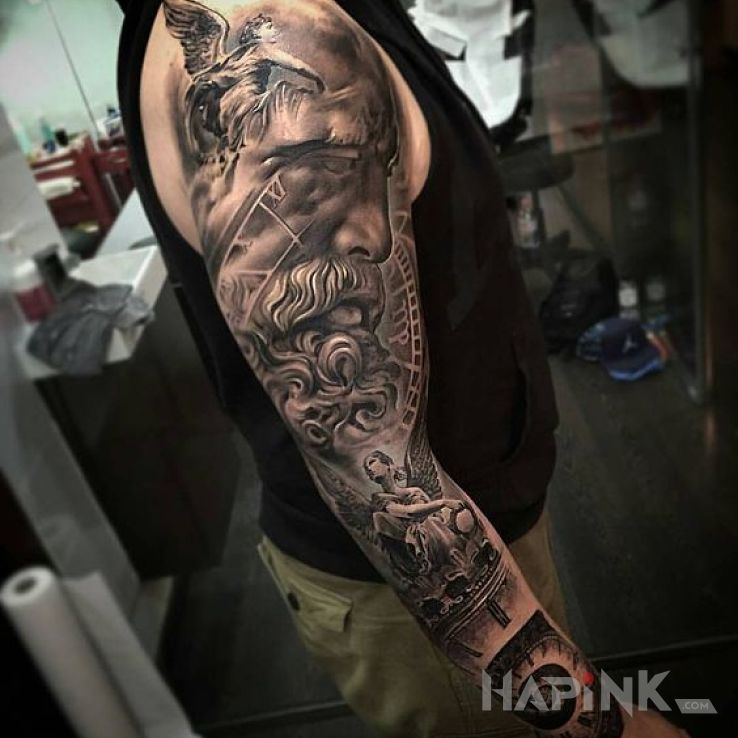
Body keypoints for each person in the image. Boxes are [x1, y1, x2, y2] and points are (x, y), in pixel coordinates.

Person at [116, 1, 688, 736]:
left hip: (464, 548)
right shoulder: (276, 29)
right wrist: (604, 725)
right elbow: (372, 470)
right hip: (431, 601)